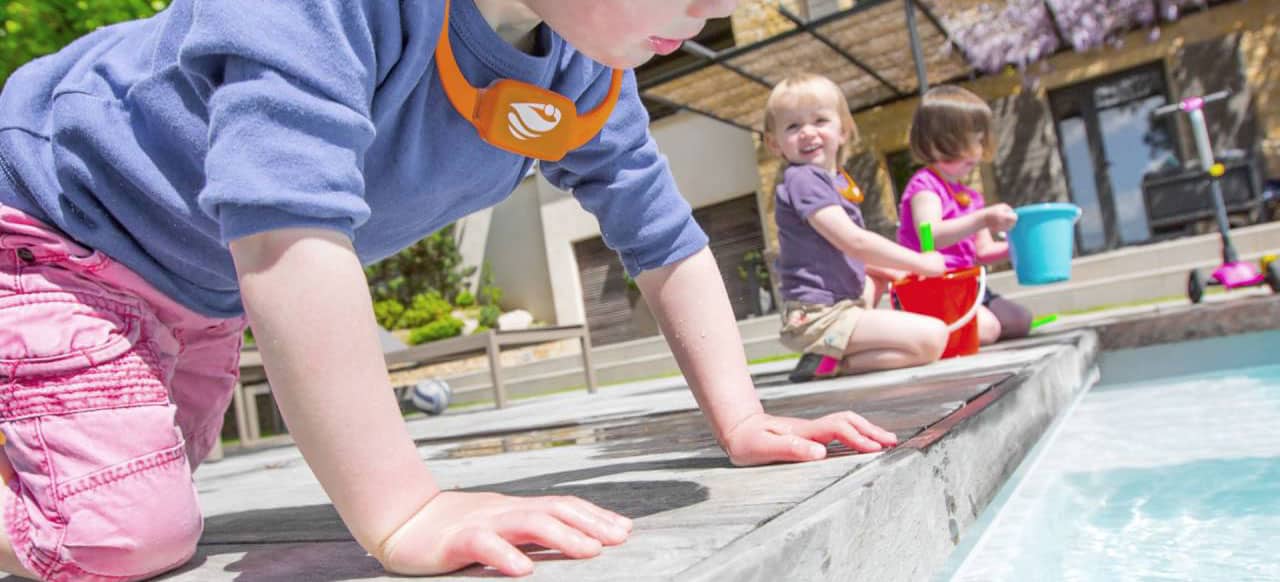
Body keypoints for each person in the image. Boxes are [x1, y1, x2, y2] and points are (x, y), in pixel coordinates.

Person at [0, 1, 905, 579]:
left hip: (195, 295)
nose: (718, 11)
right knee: (118, 534)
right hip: (53, 232)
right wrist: (403, 508)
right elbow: (286, 236)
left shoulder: (586, 68)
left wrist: (742, 420)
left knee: (143, 489)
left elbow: (663, 239)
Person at [764, 73, 949, 383]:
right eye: (793, 126)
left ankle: (829, 355)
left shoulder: (833, 180)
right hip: (819, 315)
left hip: (840, 303)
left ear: (844, 131)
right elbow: (853, 241)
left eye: (820, 120)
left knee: (878, 275)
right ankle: (829, 361)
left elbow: (850, 252)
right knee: (933, 338)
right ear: (774, 143)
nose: (808, 132)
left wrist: (896, 272)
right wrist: (922, 263)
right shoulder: (804, 179)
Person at [896, 85, 1033, 345]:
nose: (976, 149)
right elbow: (930, 236)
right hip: (935, 288)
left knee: (1020, 321)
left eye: (979, 140)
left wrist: (1018, 247)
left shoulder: (971, 196)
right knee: (988, 329)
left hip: (968, 285)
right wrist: (982, 219)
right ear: (934, 142)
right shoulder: (925, 186)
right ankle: (926, 331)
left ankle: (956, 328)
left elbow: (981, 252)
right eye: (967, 140)